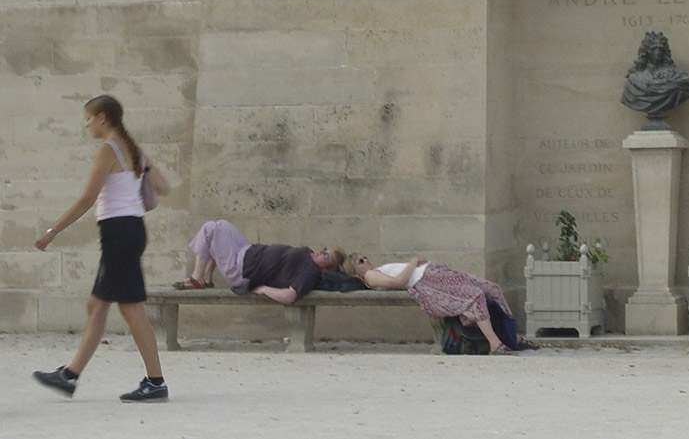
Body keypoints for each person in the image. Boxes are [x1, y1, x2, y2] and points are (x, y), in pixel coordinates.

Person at [33, 95, 172, 402]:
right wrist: (141, 171)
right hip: (129, 231)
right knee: (97, 306)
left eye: (88, 118)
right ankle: (69, 376)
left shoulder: (108, 149)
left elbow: (87, 199)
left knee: (131, 309)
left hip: (119, 234)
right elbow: (163, 188)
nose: (86, 124)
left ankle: (156, 381)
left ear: (102, 118)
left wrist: (52, 231)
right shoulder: (135, 151)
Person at [343, 254, 538, 355]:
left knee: (492, 288)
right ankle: (495, 345)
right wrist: (413, 261)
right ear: (355, 272)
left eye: (365, 256)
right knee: (475, 295)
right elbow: (398, 282)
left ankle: (512, 335)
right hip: (428, 279)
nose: (366, 260)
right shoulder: (369, 276)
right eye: (361, 260)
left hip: (434, 272)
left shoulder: (375, 270)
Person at [176, 220, 344, 304]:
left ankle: (197, 277)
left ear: (326, 269)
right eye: (324, 249)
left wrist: (264, 289)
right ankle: (206, 279)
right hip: (246, 251)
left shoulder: (309, 272)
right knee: (222, 225)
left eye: (326, 256)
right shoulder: (308, 256)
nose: (321, 251)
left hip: (240, 270)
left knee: (210, 228)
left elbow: (290, 296)